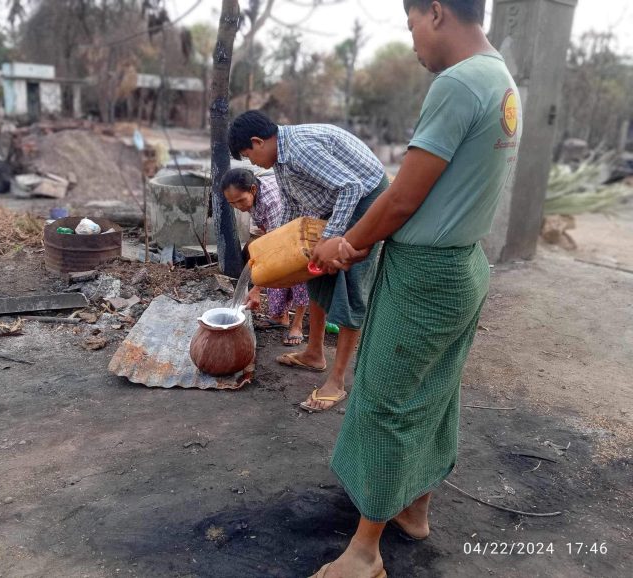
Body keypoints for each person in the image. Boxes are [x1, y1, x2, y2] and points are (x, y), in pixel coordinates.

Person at [307, 0, 522, 576]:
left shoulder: (458, 83)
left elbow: (404, 197)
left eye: (409, 27)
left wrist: (343, 245)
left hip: (426, 274)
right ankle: (414, 507)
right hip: (463, 266)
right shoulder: (501, 80)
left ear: (434, 12)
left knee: (385, 400)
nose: (412, 43)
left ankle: (363, 551)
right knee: (433, 394)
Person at [228, 111, 390, 413]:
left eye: (250, 157)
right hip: (337, 201)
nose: (253, 165)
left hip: (367, 200)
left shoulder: (300, 149)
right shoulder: (280, 160)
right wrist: (274, 254)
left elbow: (351, 187)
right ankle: (315, 353)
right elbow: (291, 208)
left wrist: (330, 238)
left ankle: (337, 381)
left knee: (350, 284)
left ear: (258, 141)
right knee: (313, 269)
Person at [220, 167, 309, 346]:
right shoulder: (252, 198)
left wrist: (257, 288)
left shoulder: (271, 201)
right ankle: (280, 316)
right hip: (279, 232)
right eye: (232, 203)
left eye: (240, 201)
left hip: (300, 233)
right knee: (273, 270)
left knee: (297, 275)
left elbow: (278, 246)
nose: (238, 206)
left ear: (253, 189)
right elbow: (267, 236)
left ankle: (297, 324)